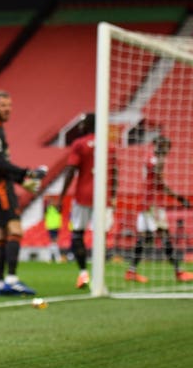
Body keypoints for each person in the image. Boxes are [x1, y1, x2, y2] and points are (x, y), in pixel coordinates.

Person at [0, 90, 47, 296]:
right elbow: (1, 164)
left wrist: (21, 181)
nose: (7, 109)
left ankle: (1, 283)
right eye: (3, 106)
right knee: (15, 230)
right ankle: (11, 279)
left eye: (9, 105)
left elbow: (1, 165)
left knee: (1, 234)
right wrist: (29, 173)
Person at [56, 113, 117, 289]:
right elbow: (115, 173)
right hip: (103, 197)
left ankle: (83, 273)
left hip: (83, 196)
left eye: (82, 123)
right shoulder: (109, 146)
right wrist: (112, 196)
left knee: (77, 235)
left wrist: (61, 197)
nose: (80, 126)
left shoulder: (80, 144)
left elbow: (70, 170)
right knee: (101, 236)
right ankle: (100, 275)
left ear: (88, 125)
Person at [125, 135, 193, 283]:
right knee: (165, 237)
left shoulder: (152, 159)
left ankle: (131, 271)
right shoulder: (153, 160)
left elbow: (158, 182)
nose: (167, 151)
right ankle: (178, 272)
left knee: (145, 238)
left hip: (146, 202)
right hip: (152, 204)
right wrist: (179, 198)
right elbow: (160, 183)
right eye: (165, 147)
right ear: (158, 145)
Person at [43, 196, 63, 263]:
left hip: (56, 226)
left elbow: (60, 207)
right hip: (51, 226)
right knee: (54, 242)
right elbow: (45, 208)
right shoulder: (48, 209)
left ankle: (50, 258)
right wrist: (48, 201)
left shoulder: (57, 209)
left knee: (53, 242)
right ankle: (57, 258)